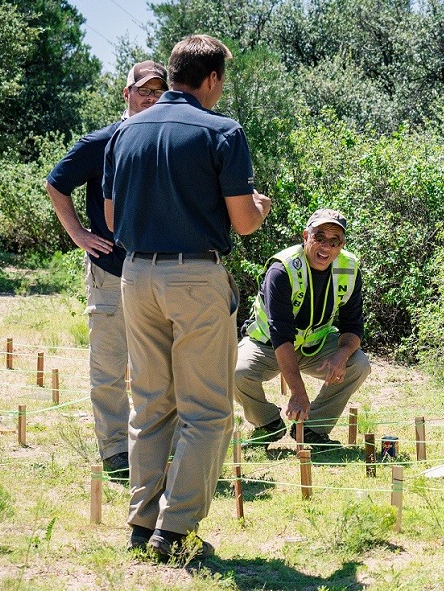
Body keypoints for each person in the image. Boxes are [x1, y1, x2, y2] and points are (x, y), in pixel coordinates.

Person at [103, 34, 271, 559]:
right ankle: (175, 532)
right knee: (207, 410)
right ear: (213, 78)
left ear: (173, 73)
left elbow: (110, 220)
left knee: (150, 404)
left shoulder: (125, 132)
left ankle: (141, 524)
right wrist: (259, 208)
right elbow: (244, 223)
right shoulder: (222, 131)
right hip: (195, 278)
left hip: (135, 274)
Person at [45, 61, 168, 480]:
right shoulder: (102, 140)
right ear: (126, 93)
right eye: (143, 91)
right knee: (111, 367)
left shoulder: (166, 140)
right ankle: (116, 451)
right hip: (111, 272)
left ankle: (153, 446)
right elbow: (56, 183)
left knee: (157, 368)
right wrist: (78, 233)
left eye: (158, 91)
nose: (150, 98)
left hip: (158, 272)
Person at [235, 209, 370, 451]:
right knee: (235, 371)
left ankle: (313, 429)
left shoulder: (349, 267)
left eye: (334, 241)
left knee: (358, 364)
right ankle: (267, 424)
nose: (326, 247)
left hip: (315, 345)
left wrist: (341, 355)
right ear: (305, 236)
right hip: (268, 344)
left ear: (342, 245)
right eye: (319, 237)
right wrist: (298, 391)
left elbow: (353, 325)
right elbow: (280, 334)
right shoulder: (282, 269)